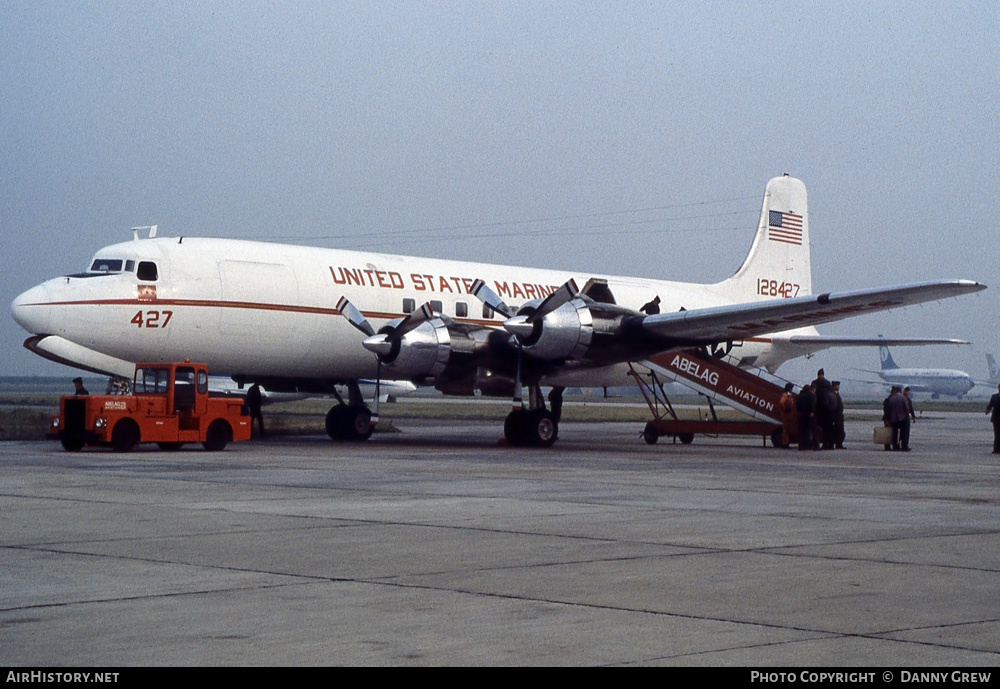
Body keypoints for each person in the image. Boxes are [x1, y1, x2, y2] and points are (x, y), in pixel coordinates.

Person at [811, 369, 833, 449]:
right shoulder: (814, 383)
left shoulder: (827, 383)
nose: (820, 376)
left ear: (823, 375)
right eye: (819, 375)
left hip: (825, 409)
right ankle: (816, 444)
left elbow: (830, 395)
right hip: (816, 408)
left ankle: (825, 444)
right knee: (815, 427)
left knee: (826, 428)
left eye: (821, 375)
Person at [884, 387, 909, 451]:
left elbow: (888, 410)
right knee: (904, 433)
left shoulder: (891, 399)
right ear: (900, 391)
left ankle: (895, 446)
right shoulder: (904, 398)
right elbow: (906, 408)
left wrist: (886, 419)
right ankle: (904, 446)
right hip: (902, 418)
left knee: (894, 433)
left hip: (893, 418)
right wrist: (906, 416)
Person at [795, 383, 817, 450]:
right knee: (812, 430)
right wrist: (812, 412)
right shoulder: (811, 395)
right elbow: (812, 405)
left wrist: (799, 411)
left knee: (802, 431)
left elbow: (797, 404)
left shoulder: (800, 395)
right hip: (809, 415)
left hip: (801, 414)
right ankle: (813, 445)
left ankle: (802, 446)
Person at [779, 382, 796, 447]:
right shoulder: (785, 395)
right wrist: (785, 409)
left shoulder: (788, 395)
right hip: (786, 415)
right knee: (785, 430)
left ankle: (786, 442)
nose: (792, 390)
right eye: (791, 388)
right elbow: (781, 403)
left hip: (788, 415)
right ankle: (785, 443)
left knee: (787, 430)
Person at [900, 386, 916, 451]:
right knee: (904, 432)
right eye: (907, 391)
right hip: (903, 417)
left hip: (903, 417)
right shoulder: (903, 399)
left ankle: (903, 445)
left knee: (904, 433)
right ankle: (903, 446)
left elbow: (911, 409)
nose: (907, 393)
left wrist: (913, 417)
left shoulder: (907, 399)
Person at [830, 381, 845, 449]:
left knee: (840, 431)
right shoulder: (832, 394)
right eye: (837, 386)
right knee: (837, 431)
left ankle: (839, 444)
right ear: (834, 386)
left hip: (839, 416)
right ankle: (837, 444)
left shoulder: (836, 394)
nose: (838, 387)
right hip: (836, 416)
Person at [985, 384, 1000, 454]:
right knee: (997, 434)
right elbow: (990, 405)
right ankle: (996, 449)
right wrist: (987, 410)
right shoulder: (994, 397)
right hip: (996, 419)